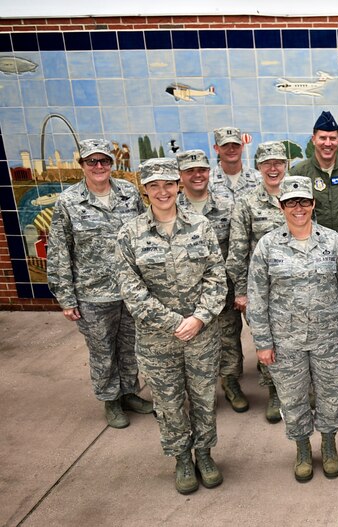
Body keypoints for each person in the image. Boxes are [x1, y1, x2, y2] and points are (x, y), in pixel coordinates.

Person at [116, 158, 227, 494]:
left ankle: (205, 454)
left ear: (178, 185)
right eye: (154, 186)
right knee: (168, 401)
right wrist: (176, 323)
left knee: (204, 397)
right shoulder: (129, 234)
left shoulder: (200, 226)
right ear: (144, 189)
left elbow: (217, 277)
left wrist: (199, 318)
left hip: (201, 336)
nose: (162, 191)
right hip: (157, 340)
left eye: (168, 184)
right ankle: (181, 457)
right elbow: (131, 291)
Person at [248, 176, 338, 482]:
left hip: (329, 338)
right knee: (292, 397)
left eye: (304, 201)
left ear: (313, 204)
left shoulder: (333, 242)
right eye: (291, 202)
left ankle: (328, 445)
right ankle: (301, 449)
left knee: (331, 395)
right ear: (281, 206)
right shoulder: (268, 246)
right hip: (286, 341)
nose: (298, 208)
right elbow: (257, 297)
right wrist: (262, 342)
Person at [47, 138, 153, 428]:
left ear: (111, 164)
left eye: (104, 161)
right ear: (81, 165)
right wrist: (66, 298)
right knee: (102, 351)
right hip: (92, 294)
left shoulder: (129, 194)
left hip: (130, 291)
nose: (98, 166)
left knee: (130, 347)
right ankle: (110, 400)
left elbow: (144, 236)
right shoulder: (69, 202)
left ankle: (129, 392)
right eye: (91, 161)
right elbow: (59, 250)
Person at [290, 110, 338, 378]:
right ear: (314, 139)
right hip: (312, 251)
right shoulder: (299, 171)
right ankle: (315, 354)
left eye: (332, 138)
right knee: (318, 303)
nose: (328, 143)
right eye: (323, 138)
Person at [176, 149, 246, 413]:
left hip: (222, 288)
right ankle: (197, 391)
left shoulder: (227, 206)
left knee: (229, 336)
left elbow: (239, 249)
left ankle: (230, 382)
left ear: (209, 171)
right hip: (185, 292)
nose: (197, 175)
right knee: (190, 341)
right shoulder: (172, 207)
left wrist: (240, 288)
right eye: (190, 171)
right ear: (180, 175)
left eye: (201, 170)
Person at [226, 141, 288, 423]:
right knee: (268, 341)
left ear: (286, 165)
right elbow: (237, 251)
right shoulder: (247, 203)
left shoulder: (299, 196)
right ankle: (274, 391)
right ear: (259, 167)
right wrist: (241, 291)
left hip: (298, 287)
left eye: (278, 162)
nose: (273, 168)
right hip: (261, 289)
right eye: (267, 163)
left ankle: (296, 389)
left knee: (296, 340)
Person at [210, 126, 261, 198]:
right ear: (216, 148)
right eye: (225, 145)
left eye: (236, 144)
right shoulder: (208, 182)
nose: (231, 149)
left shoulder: (258, 179)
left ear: (242, 146)